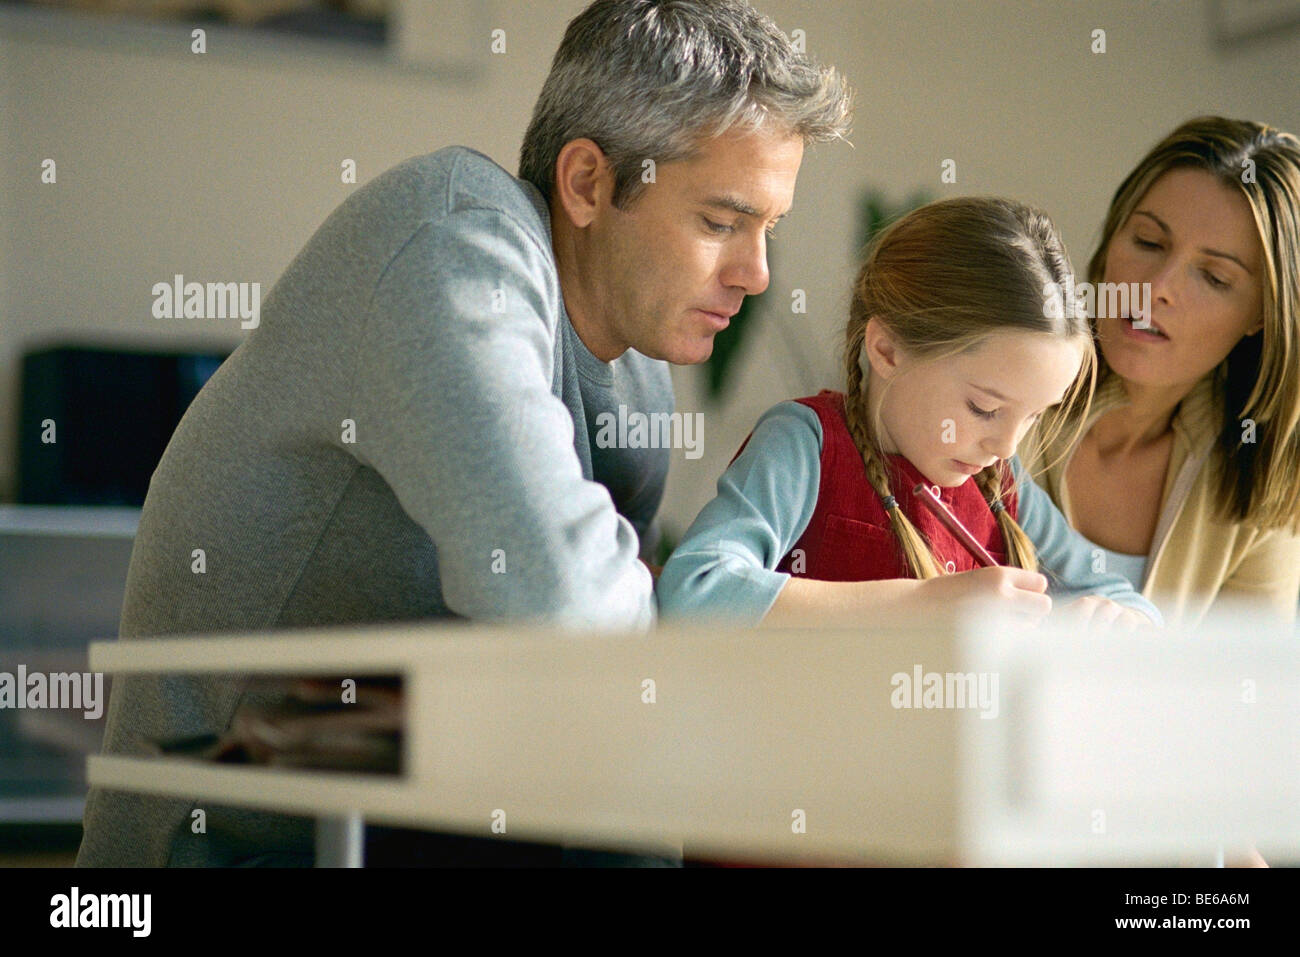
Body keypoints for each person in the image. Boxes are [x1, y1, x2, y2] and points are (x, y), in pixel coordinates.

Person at [76, 0, 852, 867]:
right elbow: (567, 613)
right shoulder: (450, 240)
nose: (756, 274)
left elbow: (602, 712)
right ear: (588, 183)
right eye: (720, 222)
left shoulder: (636, 376)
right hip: (227, 846)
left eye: (768, 230)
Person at [657, 196, 1161, 628]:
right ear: (888, 350)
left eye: (1033, 417)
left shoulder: (1004, 487)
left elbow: (1124, 599)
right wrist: (922, 603)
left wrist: (1114, 620)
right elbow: (695, 591)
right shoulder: (805, 444)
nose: (1006, 447)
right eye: (984, 408)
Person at [1020, 116, 1300, 631]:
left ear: (1262, 316)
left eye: (1214, 276)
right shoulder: (996, 389)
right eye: (1148, 242)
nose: (1158, 286)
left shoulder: (1261, 482)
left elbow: (1241, 693)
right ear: (1111, 242)